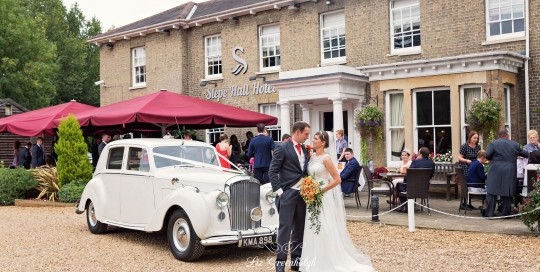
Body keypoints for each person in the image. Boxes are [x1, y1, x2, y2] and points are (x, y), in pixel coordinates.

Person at [299, 131, 374, 271]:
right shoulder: (312, 156)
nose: (313, 141)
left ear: (323, 142)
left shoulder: (326, 158)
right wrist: (308, 187)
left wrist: (320, 190)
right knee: (311, 226)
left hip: (322, 195)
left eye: (315, 139)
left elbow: (337, 179)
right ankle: (312, 260)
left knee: (324, 226)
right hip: (311, 196)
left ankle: (327, 260)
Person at [268, 121, 311, 272]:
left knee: (299, 229)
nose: (308, 137)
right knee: (285, 229)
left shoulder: (305, 149)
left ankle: (296, 262)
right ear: (298, 132)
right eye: (306, 134)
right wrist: (280, 192)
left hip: (303, 195)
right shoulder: (281, 147)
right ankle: (280, 264)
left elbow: (304, 171)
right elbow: (272, 171)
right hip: (287, 194)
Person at [485, 128, 528, 218]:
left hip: (495, 170)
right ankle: (505, 215)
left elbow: (487, 156)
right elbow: (525, 153)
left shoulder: (493, 143)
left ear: (499, 135)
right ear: (507, 135)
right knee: (507, 193)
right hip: (509, 170)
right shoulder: (515, 144)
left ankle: (489, 214)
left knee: (492, 192)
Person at [397, 147, 435, 211]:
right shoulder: (432, 163)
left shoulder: (415, 162)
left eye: (418, 153)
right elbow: (431, 175)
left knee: (398, 186)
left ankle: (405, 207)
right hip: (424, 188)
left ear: (421, 155)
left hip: (412, 188)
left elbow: (408, 174)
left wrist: (404, 181)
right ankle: (407, 206)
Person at [466, 150, 488, 214]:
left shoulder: (473, 163)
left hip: (470, 186)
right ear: (482, 157)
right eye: (486, 158)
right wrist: (488, 175)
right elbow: (483, 177)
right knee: (491, 191)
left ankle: (484, 206)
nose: (486, 160)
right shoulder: (479, 165)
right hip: (476, 187)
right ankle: (485, 207)